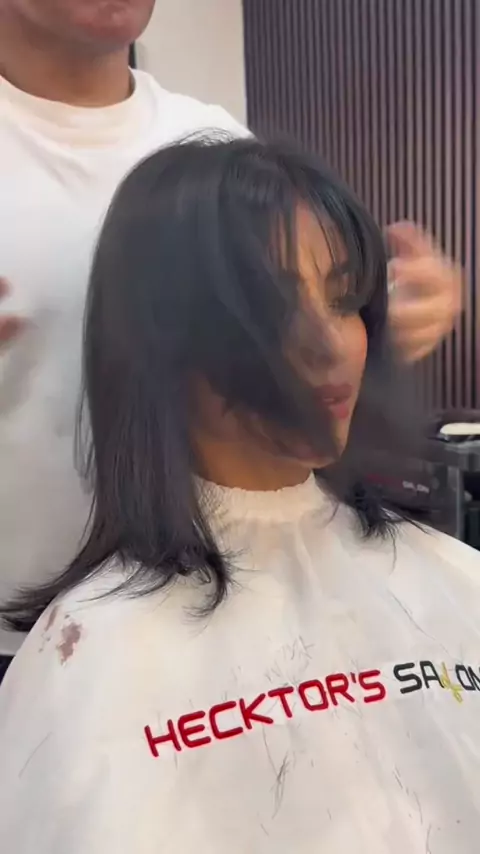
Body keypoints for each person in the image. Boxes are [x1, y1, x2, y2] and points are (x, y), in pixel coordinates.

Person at [0, 137, 478, 853]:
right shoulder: (90, 660)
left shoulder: (453, 578)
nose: (331, 345)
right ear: (163, 339)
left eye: (344, 297)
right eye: (268, 308)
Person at [0, 0, 462, 674]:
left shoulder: (211, 141)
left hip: (227, 601)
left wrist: (379, 318)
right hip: (37, 635)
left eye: (343, 300)